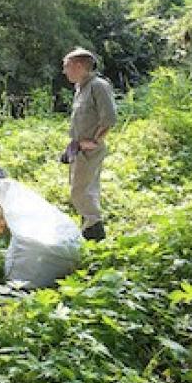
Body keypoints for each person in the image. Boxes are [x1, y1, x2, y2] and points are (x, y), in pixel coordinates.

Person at [61, 48, 117, 241]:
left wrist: (94, 141)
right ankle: (87, 232)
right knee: (80, 190)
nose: (64, 71)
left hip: (89, 151)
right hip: (78, 149)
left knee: (82, 192)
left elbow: (109, 118)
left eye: (66, 66)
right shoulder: (80, 88)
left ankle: (95, 236)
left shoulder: (98, 86)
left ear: (78, 66)